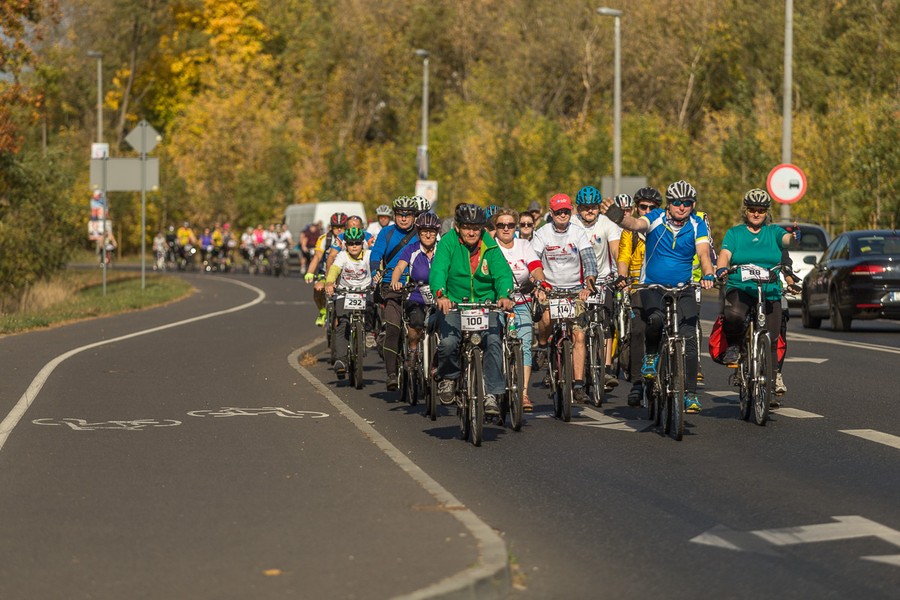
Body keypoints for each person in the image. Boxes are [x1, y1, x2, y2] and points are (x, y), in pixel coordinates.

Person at [601, 180, 716, 415]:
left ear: (692, 205)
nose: (681, 207)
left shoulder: (697, 225)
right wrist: (616, 216)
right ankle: (651, 356)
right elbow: (634, 223)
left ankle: (690, 394)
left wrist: (709, 275)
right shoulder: (655, 218)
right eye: (676, 202)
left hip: (683, 287)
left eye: (686, 203)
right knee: (654, 320)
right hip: (652, 286)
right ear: (669, 203)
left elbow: (704, 254)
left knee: (690, 338)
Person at [429, 203, 515, 415]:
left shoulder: (490, 245)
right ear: (457, 227)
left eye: (476, 227)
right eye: (467, 227)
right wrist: (441, 295)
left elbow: (503, 273)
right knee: (449, 342)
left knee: (494, 341)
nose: (471, 232)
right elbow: (439, 269)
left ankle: (491, 394)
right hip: (455, 304)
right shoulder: (447, 243)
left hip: (485, 305)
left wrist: (504, 294)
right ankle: (448, 378)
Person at [715, 188, 799, 401]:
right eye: (752, 209)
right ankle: (735, 346)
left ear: (766, 212)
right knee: (734, 315)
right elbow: (725, 254)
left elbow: (787, 241)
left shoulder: (773, 232)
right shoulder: (735, 233)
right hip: (741, 288)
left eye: (760, 210)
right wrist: (721, 269)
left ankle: (769, 390)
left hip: (769, 290)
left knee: (770, 339)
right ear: (746, 211)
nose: (756, 213)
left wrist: (794, 237)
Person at [532, 193, 599, 404]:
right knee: (545, 319)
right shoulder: (541, 233)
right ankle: (543, 346)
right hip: (550, 288)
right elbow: (534, 261)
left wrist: (589, 283)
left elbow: (589, 259)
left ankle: (578, 384)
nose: (563, 215)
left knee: (579, 336)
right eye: (559, 212)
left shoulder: (578, 233)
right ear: (551, 213)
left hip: (574, 290)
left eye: (566, 211)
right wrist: (540, 285)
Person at [492, 207, 547, 411]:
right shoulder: (490, 246)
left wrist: (540, 283)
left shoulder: (524, 245)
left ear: (515, 227)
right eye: (501, 225)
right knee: (493, 344)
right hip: (496, 304)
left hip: (521, 302)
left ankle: (523, 393)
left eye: (510, 225)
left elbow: (535, 266)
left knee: (524, 346)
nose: (506, 229)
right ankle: (492, 389)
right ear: (495, 228)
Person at [369, 196, 421, 391]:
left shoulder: (422, 233)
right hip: (391, 286)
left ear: (415, 216)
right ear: (394, 215)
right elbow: (376, 255)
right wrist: (375, 272)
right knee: (393, 328)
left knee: (427, 326)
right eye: (400, 215)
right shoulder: (386, 233)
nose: (404, 219)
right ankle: (391, 373)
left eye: (408, 215)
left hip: (417, 285)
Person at [616, 187, 662, 406]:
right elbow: (623, 256)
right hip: (638, 287)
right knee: (637, 331)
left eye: (652, 208)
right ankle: (636, 383)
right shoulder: (630, 231)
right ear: (636, 207)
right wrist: (622, 276)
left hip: (662, 287)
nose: (647, 210)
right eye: (643, 207)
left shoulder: (664, 227)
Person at [575, 185, 622, 391]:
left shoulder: (606, 223)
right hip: (576, 283)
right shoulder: (572, 224)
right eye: (585, 208)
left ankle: (607, 368)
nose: (590, 211)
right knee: (577, 329)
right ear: (578, 209)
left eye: (593, 207)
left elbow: (616, 248)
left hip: (603, 278)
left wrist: (620, 272)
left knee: (606, 319)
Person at [389, 212, 441, 365]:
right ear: (418, 232)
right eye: (424, 231)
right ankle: (412, 348)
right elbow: (399, 267)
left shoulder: (443, 249)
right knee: (416, 321)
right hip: (417, 295)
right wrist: (395, 281)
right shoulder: (411, 249)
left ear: (436, 233)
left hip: (440, 296)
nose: (428, 235)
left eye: (431, 231)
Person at [324, 227, 375, 379]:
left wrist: (378, 280)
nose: (354, 246)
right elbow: (334, 269)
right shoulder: (342, 256)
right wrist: (329, 282)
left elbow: (377, 267)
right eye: (351, 243)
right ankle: (341, 360)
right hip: (344, 293)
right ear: (346, 245)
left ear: (362, 244)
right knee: (343, 324)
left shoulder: (369, 255)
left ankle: (369, 332)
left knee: (374, 308)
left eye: (357, 243)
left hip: (365, 291)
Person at [305, 213, 348, 326]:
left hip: (345, 273)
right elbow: (317, 256)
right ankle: (322, 311)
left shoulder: (350, 238)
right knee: (318, 288)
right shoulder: (325, 239)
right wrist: (309, 272)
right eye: (335, 227)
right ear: (331, 227)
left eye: (342, 227)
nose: (339, 230)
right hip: (326, 272)